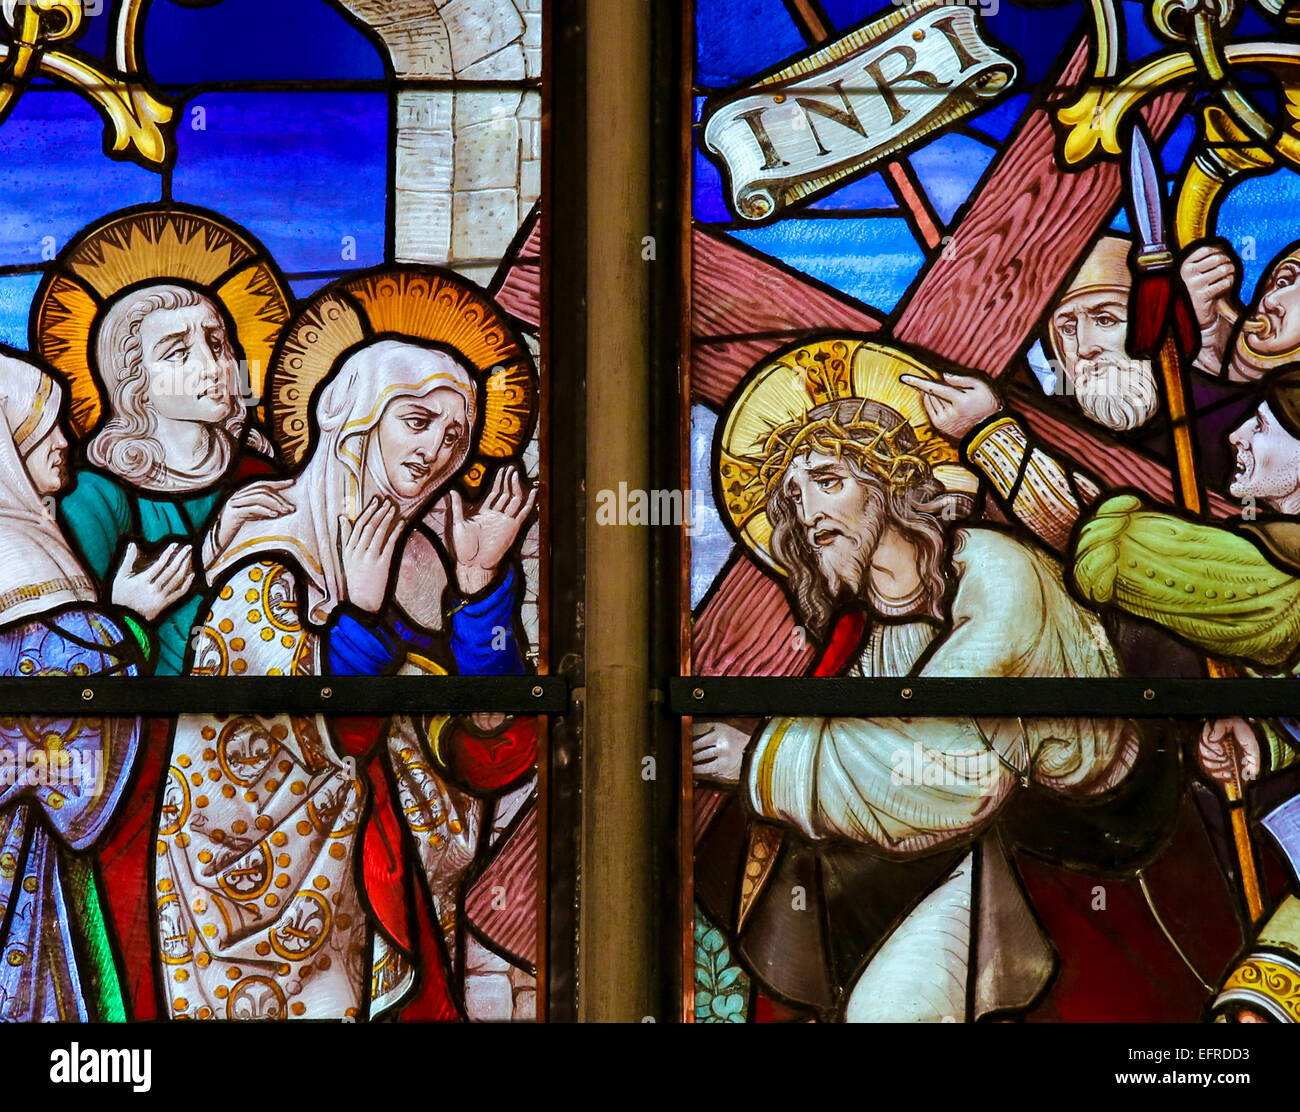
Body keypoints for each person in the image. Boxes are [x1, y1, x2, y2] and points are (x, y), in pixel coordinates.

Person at [695, 344, 1140, 1021]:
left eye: (826, 478)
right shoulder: (875, 637)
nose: (806, 507)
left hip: (1105, 864)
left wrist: (760, 761)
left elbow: (950, 771)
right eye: (791, 493)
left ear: (888, 480)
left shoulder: (996, 570)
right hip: (984, 856)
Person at [154, 338, 536, 1021]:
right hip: (281, 913)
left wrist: (480, 597)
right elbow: (253, 757)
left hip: (404, 890)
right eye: (417, 421)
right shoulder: (267, 547)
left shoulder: (431, 560)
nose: (438, 451)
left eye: (456, 436)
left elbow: (490, 754)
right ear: (357, 415)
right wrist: (359, 620)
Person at [0, 351, 149, 1021]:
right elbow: (69, 768)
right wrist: (132, 627)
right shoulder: (26, 572)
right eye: (46, 429)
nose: (66, 443)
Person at [59, 284, 289, 677]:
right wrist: (125, 614)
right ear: (136, 382)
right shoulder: (95, 498)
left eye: (216, 344)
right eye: (179, 353)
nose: (213, 366)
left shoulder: (257, 475)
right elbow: (67, 662)